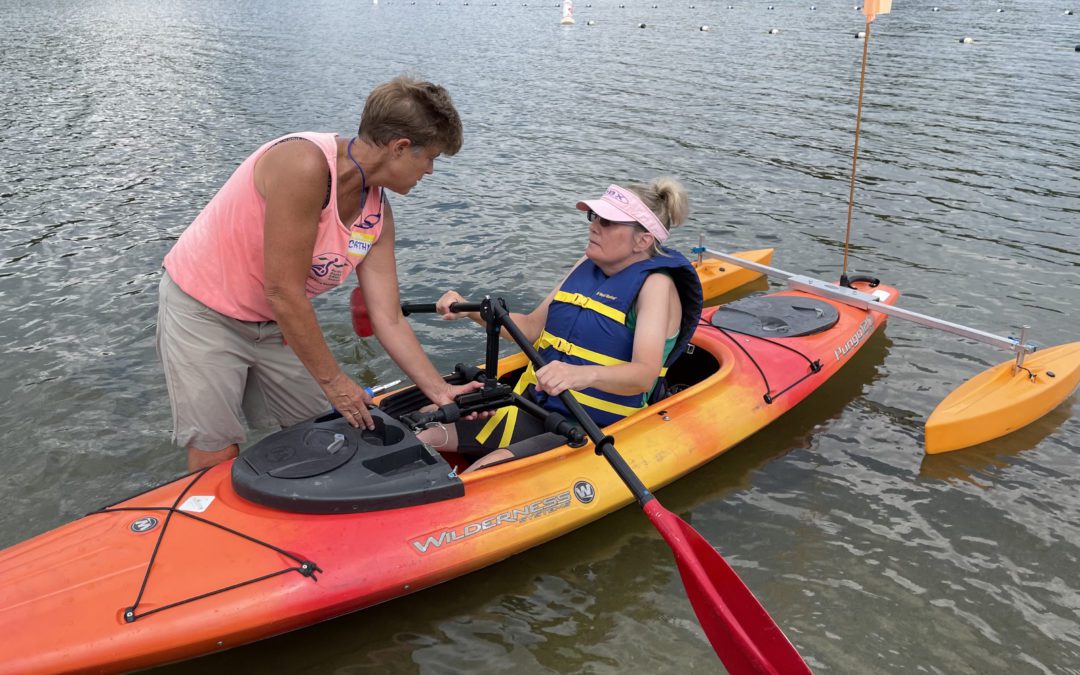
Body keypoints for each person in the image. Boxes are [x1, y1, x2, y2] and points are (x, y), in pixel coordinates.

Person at [157, 76, 482, 471]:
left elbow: (388, 316)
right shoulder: (303, 164)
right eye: (429, 157)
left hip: (276, 321)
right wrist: (336, 383)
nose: (430, 171)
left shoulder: (377, 212)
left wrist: (441, 391)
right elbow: (282, 290)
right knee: (217, 448)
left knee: (320, 431)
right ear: (399, 148)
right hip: (205, 311)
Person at [420, 178, 703, 472]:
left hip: (591, 425)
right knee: (422, 428)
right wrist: (470, 310)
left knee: (480, 475)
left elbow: (644, 375)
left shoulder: (655, 286)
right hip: (534, 407)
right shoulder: (587, 265)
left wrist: (580, 374)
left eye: (607, 222)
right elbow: (529, 329)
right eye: (594, 217)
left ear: (642, 240)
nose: (593, 226)